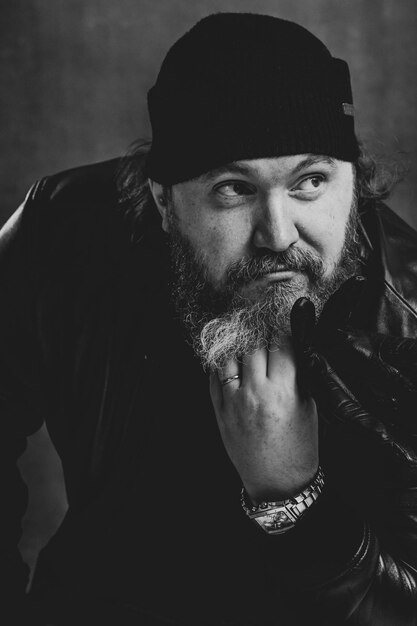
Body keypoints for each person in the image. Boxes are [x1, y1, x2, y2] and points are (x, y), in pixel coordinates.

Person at [2, 11, 417, 626]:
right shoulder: (62, 230)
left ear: (353, 184)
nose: (278, 236)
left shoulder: (407, 317)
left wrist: (292, 496)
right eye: (233, 189)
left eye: (310, 181)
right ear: (163, 202)